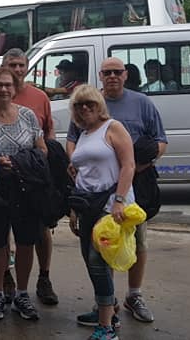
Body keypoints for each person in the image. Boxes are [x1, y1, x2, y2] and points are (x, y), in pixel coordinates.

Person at [67, 57, 167, 326]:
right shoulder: (85, 127)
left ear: (125, 75)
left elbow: (160, 142)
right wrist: (74, 165)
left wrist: (132, 176)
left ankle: (132, 298)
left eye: (117, 71)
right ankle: (106, 306)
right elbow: (72, 144)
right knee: (99, 256)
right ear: (100, 76)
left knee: (134, 245)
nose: (112, 76)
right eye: (107, 72)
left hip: (128, 188)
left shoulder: (139, 105)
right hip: (92, 198)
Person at [0, 48, 59, 306]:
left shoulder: (28, 115)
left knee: (26, 241)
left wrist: (19, 163)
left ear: (15, 89)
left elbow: (43, 149)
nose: (3, 89)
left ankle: (23, 293)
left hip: (26, 188)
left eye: (8, 85)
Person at [67, 84, 136, 340]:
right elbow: (82, 174)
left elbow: (128, 165)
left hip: (109, 208)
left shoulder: (113, 128)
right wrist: (74, 210)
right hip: (88, 206)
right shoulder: (84, 134)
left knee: (98, 262)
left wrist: (119, 200)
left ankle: (106, 328)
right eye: (79, 105)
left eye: (90, 103)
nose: (85, 108)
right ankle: (108, 310)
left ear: (100, 106)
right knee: (91, 261)